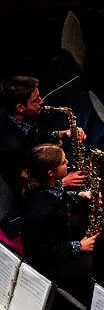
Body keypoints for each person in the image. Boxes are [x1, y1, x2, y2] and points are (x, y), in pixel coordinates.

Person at [0, 76, 87, 221]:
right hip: (33, 198)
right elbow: (25, 188)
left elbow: (33, 132)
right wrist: (63, 182)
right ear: (20, 107)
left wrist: (63, 133)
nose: (41, 101)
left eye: (39, 96)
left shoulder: (19, 116)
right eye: (35, 100)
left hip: (45, 173)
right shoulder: (12, 149)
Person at [18, 144, 97, 300]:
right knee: (92, 264)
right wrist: (80, 246)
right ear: (50, 172)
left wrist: (80, 194)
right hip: (48, 263)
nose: (68, 161)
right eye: (63, 162)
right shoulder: (41, 210)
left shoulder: (50, 184)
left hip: (58, 236)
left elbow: (59, 194)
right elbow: (47, 250)